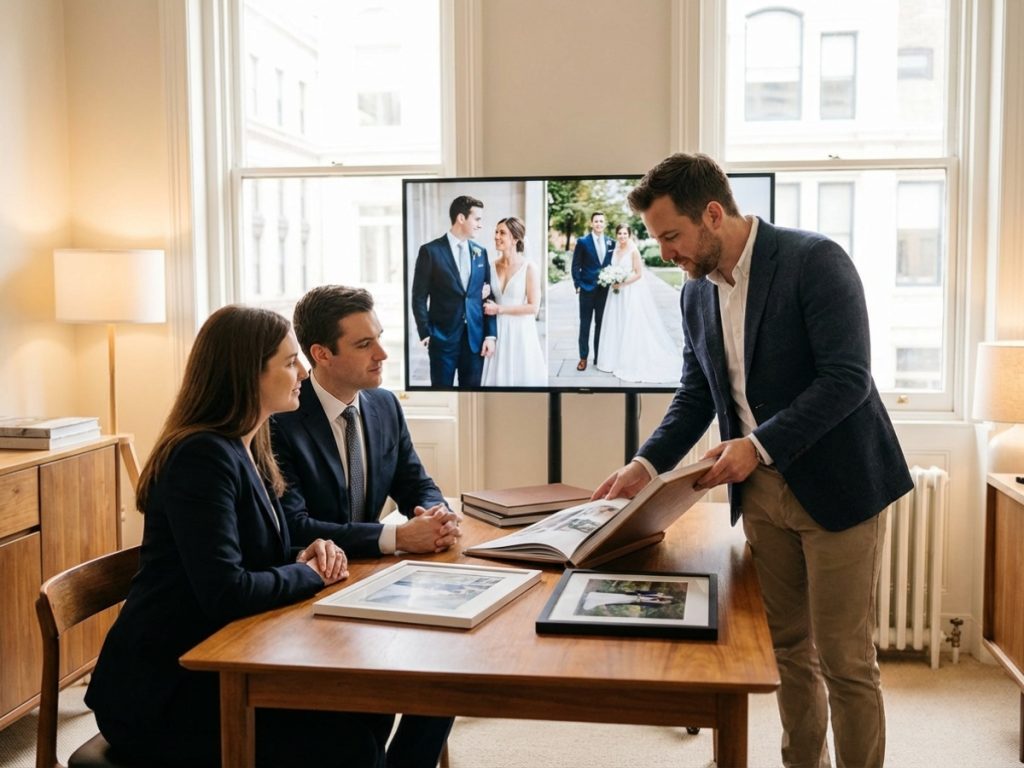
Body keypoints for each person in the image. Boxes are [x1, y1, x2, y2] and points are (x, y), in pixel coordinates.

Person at [594, 153, 913, 768]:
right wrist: (646, 465)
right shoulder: (694, 293)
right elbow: (696, 394)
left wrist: (757, 444)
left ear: (713, 214)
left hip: (838, 486)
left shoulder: (814, 261)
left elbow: (847, 379)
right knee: (788, 650)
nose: (665, 253)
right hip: (760, 495)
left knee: (845, 659)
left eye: (672, 236)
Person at [86, 305, 392, 767]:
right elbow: (226, 591)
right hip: (164, 689)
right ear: (249, 374)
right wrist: (309, 573)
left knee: (371, 708)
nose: (303, 373)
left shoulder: (250, 445)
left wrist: (303, 552)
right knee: (350, 743)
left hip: (214, 658)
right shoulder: (201, 457)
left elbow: (249, 551)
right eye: (290, 362)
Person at [270, 284, 457, 768]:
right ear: (321, 354)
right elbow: (296, 527)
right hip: (309, 592)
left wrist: (434, 514)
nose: (382, 354)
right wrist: (397, 537)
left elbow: (416, 482)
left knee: (446, 678)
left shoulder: (383, 405)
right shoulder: (280, 419)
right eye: (364, 344)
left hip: (372, 582)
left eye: (379, 338)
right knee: (361, 724)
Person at [411, 194, 497, 387]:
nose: (480, 225)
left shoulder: (480, 252)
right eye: (477, 219)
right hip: (442, 340)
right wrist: (426, 332)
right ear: (461, 218)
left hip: (474, 341)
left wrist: (490, 335)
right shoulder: (430, 251)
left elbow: (488, 296)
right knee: (442, 393)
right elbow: (418, 296)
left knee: (473, 397)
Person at [595, 224, 683, 383]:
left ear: (629, 235)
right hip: (615, 294)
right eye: (620, 233)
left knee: (629, 323)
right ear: (616, 235)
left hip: (629, 291)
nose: (622, 236)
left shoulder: (633, 251)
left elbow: (638, 274)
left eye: (625, 233)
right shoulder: (614, 251)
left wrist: (622, 283)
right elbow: (611, 268)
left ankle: (628, 359)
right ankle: (612, 360)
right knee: (615, 322)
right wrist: (611, 279)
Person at [481, 216, 547, 386]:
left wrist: (499, 309)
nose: (496, 236)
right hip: (497, 331)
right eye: (496, 232)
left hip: (520, 331)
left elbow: (533, 307)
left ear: (515, 239)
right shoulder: (490, 266)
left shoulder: (529, 268)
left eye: (502, 233)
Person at [571, 211, 615, 371]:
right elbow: (576, 265)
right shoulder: (583, 242)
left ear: (605, 224)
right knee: (585, 325)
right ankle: (583, 358)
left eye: (601, 221)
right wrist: (578, 284)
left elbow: (612, 264)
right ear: (591, 223)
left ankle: (598, 357)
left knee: (600, 325)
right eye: (596, 221)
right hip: (586, 289)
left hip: (604, 290)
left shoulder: (611, 243)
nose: (598, 224)